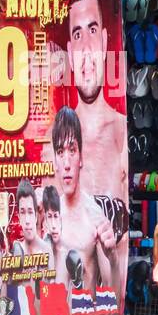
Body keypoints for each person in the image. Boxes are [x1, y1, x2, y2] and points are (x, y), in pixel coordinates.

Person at [64, 0, 126, 200]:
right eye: (78, 34)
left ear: (105, 42)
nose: (87, 50)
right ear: (70, 55)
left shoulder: (120, 131)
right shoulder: (56, 144)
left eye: (92, 30)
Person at [52, 106, 115, 290]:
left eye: (72, 150)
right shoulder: (48, 217)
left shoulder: (94, 214)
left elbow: (111, 288)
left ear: (81, 158)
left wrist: (114, 258)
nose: (66, 164)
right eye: (60, 152)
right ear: (55, 160)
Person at [12, 179, 50, 258]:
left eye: (30, 212)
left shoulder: (48, 249)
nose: (27, 220)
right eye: (23, 213)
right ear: (19, 217)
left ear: (35, 216)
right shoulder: (17, 253)